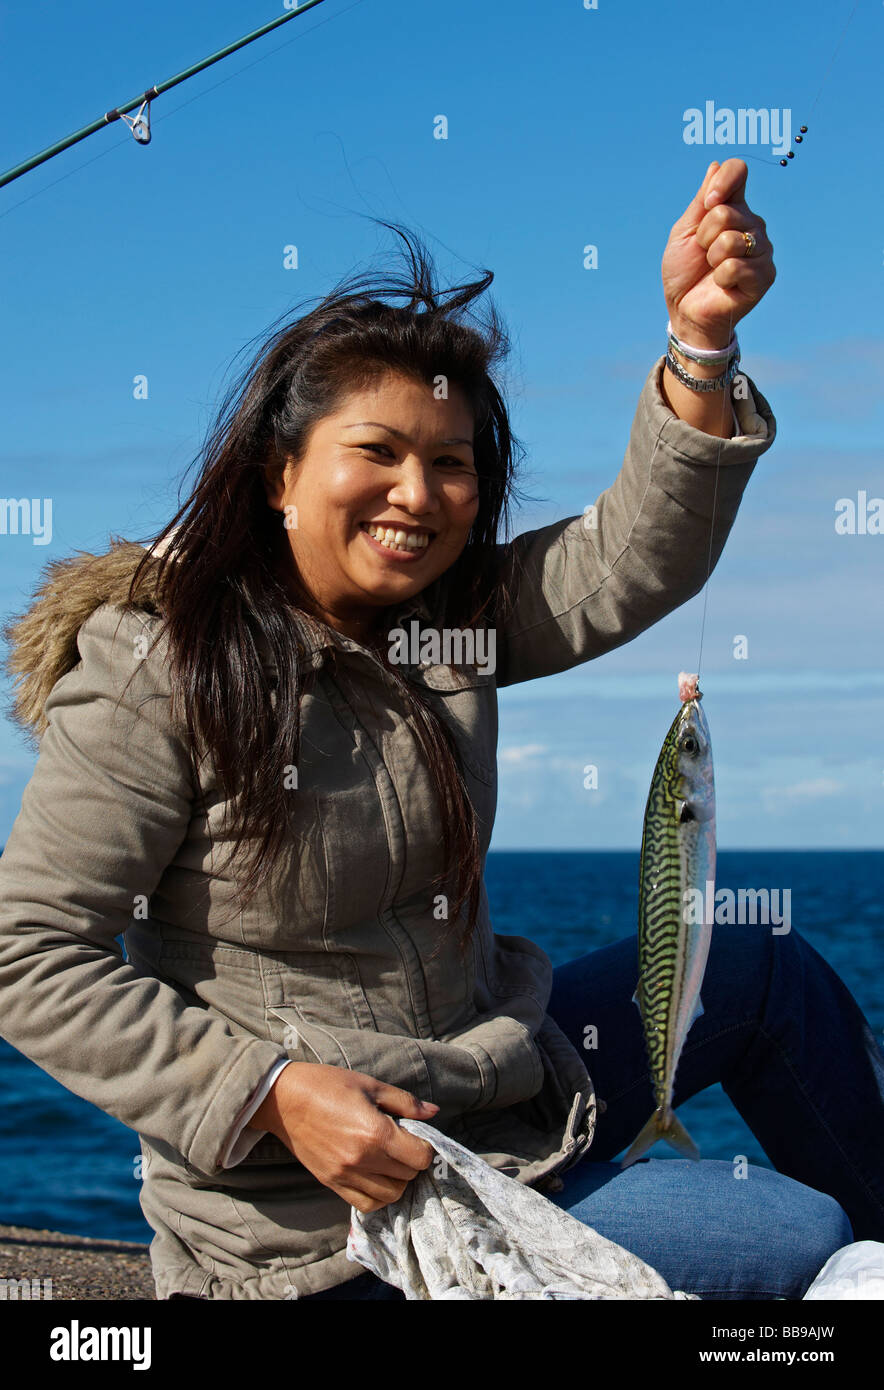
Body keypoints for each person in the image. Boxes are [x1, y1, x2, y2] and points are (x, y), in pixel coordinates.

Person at [0, 160, 880, 1302]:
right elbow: (27, 955)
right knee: (787, 1238)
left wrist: (698, 346)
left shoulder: (446, 627)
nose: (416, 493)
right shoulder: (156, 665)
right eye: (377, 451)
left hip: (493, 1080)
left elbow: (627, 559)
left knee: (762, 972)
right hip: (342, 1211)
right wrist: (266, 1091)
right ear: (281, 476)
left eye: (450, 462)